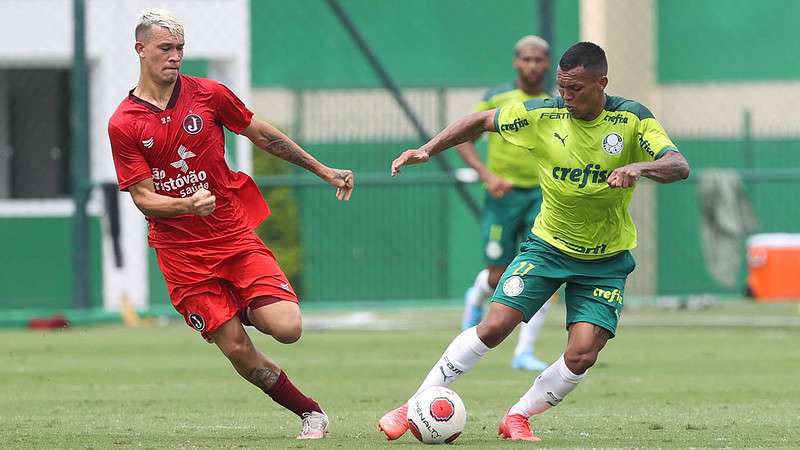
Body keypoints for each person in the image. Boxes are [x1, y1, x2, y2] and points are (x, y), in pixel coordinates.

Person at [379, 42, 689, 442]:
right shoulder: (543, 115)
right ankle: (410, 407)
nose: (566, 96)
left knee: (582, 355)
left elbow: (678, 165)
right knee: (494, 327)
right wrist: (426, 149)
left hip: (606, 260)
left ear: (602, 83)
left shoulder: (632, 120)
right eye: (562, 86)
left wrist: (638, 167)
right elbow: (478, 122)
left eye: (576, 87)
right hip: (547, 247)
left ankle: (518, 416)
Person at [107, 9, 354, 440]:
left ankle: (236, 304)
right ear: (140, 49)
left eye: (180, 48)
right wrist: (186, 205)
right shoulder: (124, 124)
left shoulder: (209, 94)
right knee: (239, 349)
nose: (175, 57)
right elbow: (143, 196)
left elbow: (262, 134)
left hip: (233, 237)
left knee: (289, 329)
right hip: (183, 257)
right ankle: (311, 413)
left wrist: (322, 169)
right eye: (165, 48)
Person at [457, 35, 556, 372]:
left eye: (538, 60)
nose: (532, 65)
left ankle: (523, 352)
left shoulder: (555, 103)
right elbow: (465, 140)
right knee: (499, 275)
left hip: (542, 199)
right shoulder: (497, 98)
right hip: (503, 198)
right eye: (526, 59)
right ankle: (478, 294)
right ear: (516, 62)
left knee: (542, 274)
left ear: (547, 63)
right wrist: (487, 175)